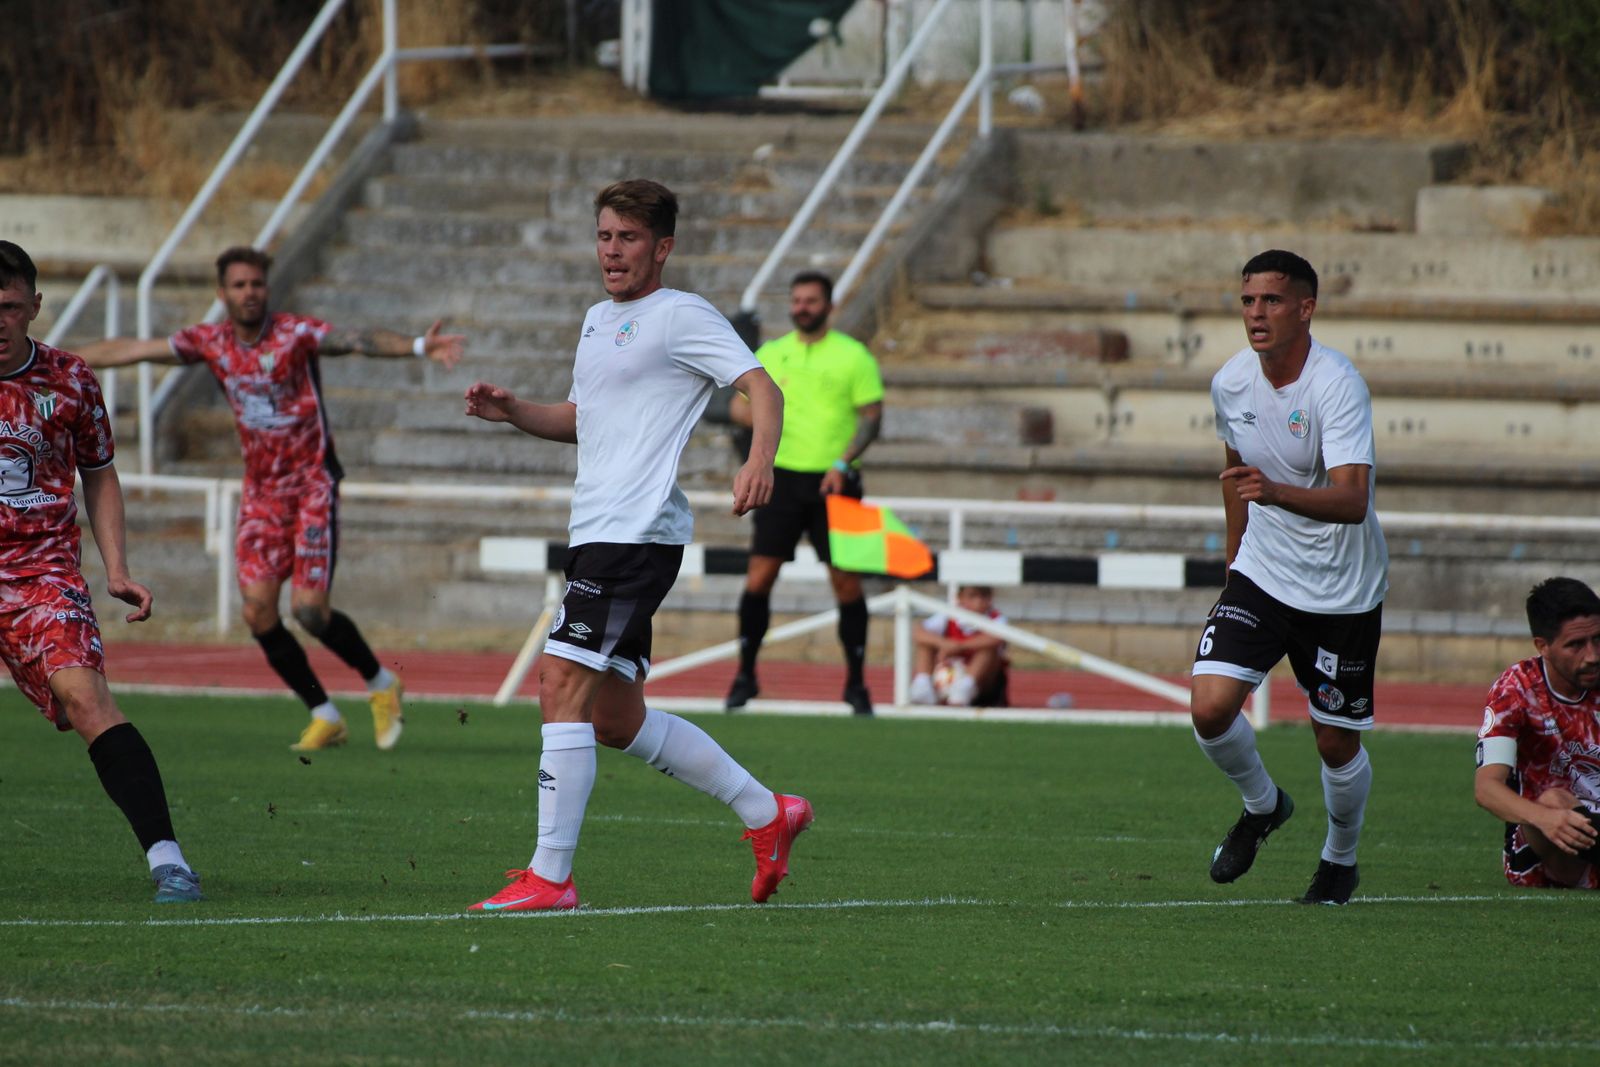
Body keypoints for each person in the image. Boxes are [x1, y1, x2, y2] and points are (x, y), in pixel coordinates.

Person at [461, 178, 810, 913]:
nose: (611, 252)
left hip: (635, 531)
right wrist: (513, 410)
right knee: (615, 719)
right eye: (603, 237)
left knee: (558, 683)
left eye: (626, 238)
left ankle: (551, 876)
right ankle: (766, 812)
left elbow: (763, 386)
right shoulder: (595, 319)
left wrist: (760, 459)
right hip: (597, 530)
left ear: (662, 248)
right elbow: (581, 418)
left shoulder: (681, 314)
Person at [79, 247, 464, 752]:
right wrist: (50, 357)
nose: (249, 293)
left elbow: (355, 340)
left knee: (308, 611)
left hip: (311, 485)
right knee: (258, 612)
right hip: (262, 492)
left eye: (256, 284)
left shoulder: (294, 334)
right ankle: (325, 714)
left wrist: (417, 345)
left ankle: (380, 683)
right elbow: (133, 350)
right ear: (222, 295)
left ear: (267, 289)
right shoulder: (210, 342)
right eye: (238, 285)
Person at [0, 241, 202, 902]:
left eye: (7, 307)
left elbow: (100, 472)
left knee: (86, 698)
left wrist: (117, 568)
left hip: (40, 574)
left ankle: (169, 860)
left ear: (34, 305)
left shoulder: (70, 379)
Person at [1189, 249, 1389, 906]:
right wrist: (1234, 553)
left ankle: (1340, 857)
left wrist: (1272, 492)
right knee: (1210, 706)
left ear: (1306, 307)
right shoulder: (1230, 382)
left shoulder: (1337, 384)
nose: (1256, 314)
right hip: (1263, 573)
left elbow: (1352, 499)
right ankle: (1263, 804)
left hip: (1340, 589)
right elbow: (1235, 473)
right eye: (1247, 301)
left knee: (1334, 742)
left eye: (1272, 301)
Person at [724, 270, 884, 717]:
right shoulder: (772, 354)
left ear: (828, 306)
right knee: (759, 578)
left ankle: (856, 684)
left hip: (837, 480)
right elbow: (737, 405)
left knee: (847, 584)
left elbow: (872, 418)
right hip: (782, 479)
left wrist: (842, 463)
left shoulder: (854, 357)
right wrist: (757, 425)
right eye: (796, 300)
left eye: (811, 301)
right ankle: (745, 675)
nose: (802, 308)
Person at [1474, 577, 1600, 889]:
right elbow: (1487, 788)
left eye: (1598, 639)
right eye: (1575, 645)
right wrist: (1543, 819)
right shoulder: (1516, 690)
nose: (1592, 656)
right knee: (1553, 801)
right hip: (1555, 841)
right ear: (1542, 646)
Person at [909, 584, 1010, 707]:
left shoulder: (996, 618)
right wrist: (943, 643)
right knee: (925, 644)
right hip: (947, 667)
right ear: (960, 598)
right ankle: (923, 685)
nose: (978, 601)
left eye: (983, 596)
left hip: (983, 681)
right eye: (972, 596)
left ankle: (965, 687)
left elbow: (997, 638)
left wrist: (960, 646)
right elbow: (918, 632)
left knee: (988, 650)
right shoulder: (950, 614)